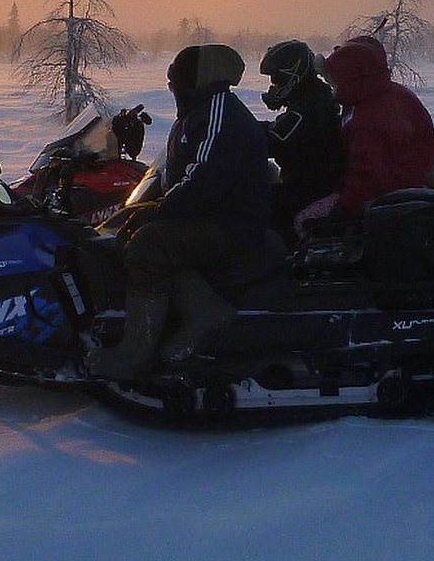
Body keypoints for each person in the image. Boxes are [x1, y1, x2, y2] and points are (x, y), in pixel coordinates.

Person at [85, 44, 272, 379]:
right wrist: (151, 204)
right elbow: (184, 174)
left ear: (197, 80)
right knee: (132, 229)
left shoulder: (219, 113)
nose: (172, 88)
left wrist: (158, 212)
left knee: (149, 245)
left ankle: (139, 350)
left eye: (176, 80)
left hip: (232, 224)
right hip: (212, 215)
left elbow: (204, 179)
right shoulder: (200, 111)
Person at [319, 35, 434, 216]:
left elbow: (368, 180)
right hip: (416, 190)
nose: (333, 86)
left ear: (351, 79)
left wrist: (342, 207)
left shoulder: (367, 120)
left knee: (302, 220)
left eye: (335, 80)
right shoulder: (397, 94)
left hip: (388, 204)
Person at [257, 39, 345, 236]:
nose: (273, 85)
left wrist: (241, 129)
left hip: (311, 190)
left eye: (277, 79)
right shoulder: (313, 98)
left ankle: (278, 261)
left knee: (252, 207)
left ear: (293, 74)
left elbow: (275, 139)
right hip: (313, 184)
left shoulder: (308, 108)